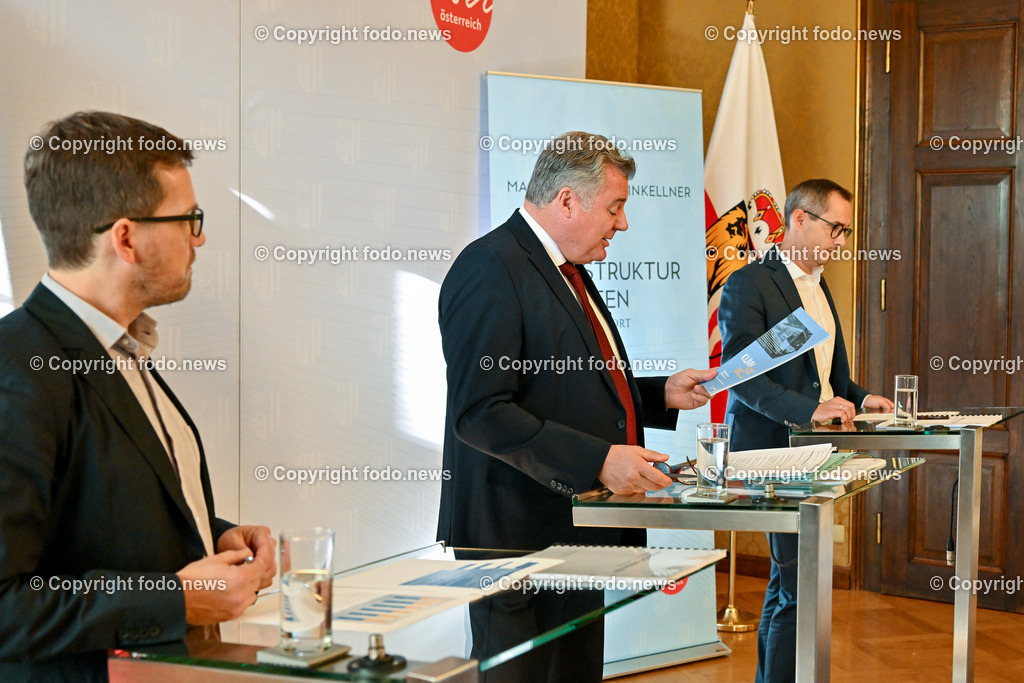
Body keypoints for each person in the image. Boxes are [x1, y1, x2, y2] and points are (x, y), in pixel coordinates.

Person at [0, 111, 276, 682]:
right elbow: (7, 604)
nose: (199, 238)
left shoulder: (122, 346)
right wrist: (175, 602)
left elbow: (97, 514)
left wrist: (211, 531)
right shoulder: (16, 369)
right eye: (188, 219)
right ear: (125, 237)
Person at [437, 130, 716, 681]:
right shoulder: (489, 267)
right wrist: (595, 461)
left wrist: (658, 393)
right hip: (514, 536)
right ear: (567, 200)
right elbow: (480, 411)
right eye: (615, 208)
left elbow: (570, 384)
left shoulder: (565, 266)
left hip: (577, 527)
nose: (624, 223)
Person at [718, 178, 894, 682]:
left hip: (812, 452)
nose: (841, 242)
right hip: (769, 451)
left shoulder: (818, 284)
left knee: (790, 580)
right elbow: (742, 376)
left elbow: (828, 375)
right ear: (799, 220)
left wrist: (862, 398)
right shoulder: (750, 283)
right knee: (799, 583)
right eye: (835, 228)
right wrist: (808, 411)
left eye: (846, 231)